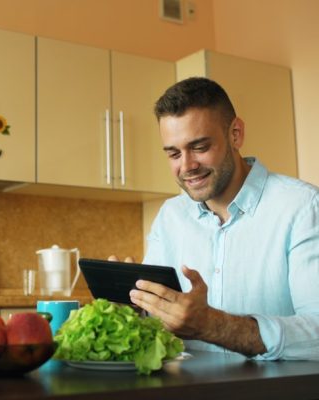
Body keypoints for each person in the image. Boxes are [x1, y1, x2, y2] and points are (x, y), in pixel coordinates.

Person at [127, 77, 319, 359]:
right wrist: (136, 306)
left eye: (200, 147)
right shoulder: (170, 216)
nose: (187, 166)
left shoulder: (302, 207)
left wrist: (211, 326)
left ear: (236, 134)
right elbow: (156, 325)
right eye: (173, 154)